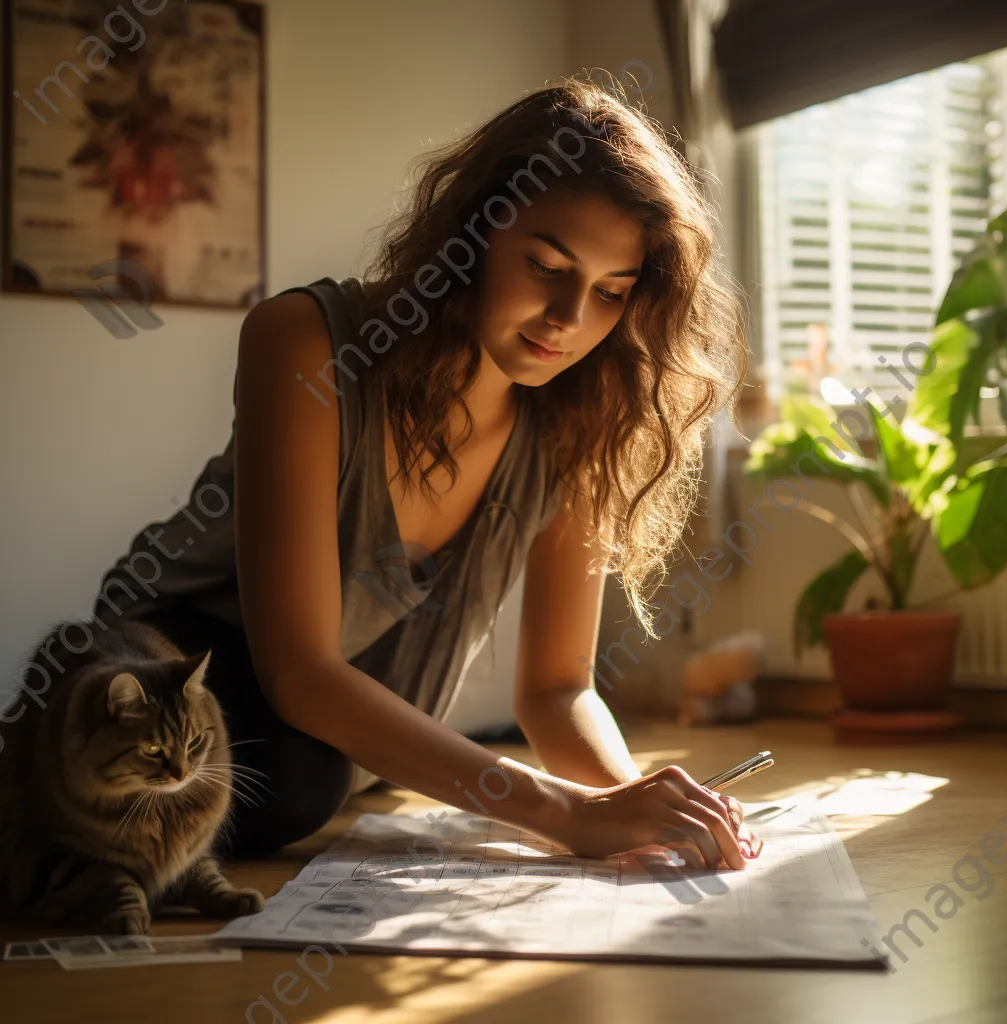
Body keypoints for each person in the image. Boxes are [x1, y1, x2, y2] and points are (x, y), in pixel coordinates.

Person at [92, 75, 758, 868]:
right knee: (297, 777)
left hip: (328, 742)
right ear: (473, 235)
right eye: (547, 266)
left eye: (611, 293)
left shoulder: (578, 418)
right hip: (160, 682)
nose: (570, 320)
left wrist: (636, 803)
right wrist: (566, 816)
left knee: (321, 770)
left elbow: (556, 690)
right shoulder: (306, 343)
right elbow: (301, 674)